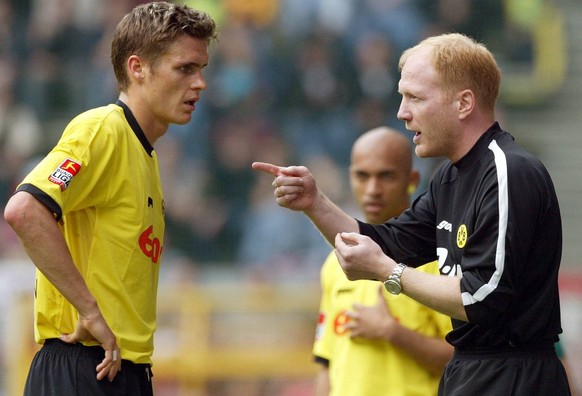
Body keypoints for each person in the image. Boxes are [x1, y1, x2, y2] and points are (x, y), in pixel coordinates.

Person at [252, 33, 572, 395]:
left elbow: (482, 295)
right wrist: (315, 203)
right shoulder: (449, 177)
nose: (402, 112)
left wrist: (390, 273)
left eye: (415, 98)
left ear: (464, 103)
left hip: (513, 376)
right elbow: (385, 243)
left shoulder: (508, 171)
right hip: (469, 370)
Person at [3, 2, 217, 395]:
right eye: (185, 68)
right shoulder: (103, 130)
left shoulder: (146, 154)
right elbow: (24, 209)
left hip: (120, 369)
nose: (200, 83)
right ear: (138, 68)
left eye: (202, 69)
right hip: (82, 366)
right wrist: (88, 309)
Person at [313, 127, 453, 396]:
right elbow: (327, 363)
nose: (372, 189)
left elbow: (463, 357)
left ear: (412, 179)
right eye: (362, 176)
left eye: (386, 176)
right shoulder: (336, 261)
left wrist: (392, 332)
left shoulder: (436, 260)